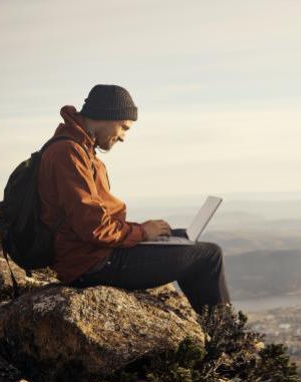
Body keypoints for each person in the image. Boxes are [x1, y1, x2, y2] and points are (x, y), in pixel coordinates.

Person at [37, 84, 231, 315]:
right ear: (107, 116)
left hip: (94, 254)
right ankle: (227, 338)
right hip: (91, 265)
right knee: (209, 255)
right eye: (123, 127)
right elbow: (94, 227)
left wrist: (143, 231)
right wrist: (142, 232)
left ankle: (212, 329)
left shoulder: (80, 148)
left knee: (178, 237)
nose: (123, 137)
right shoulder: (69, 152)